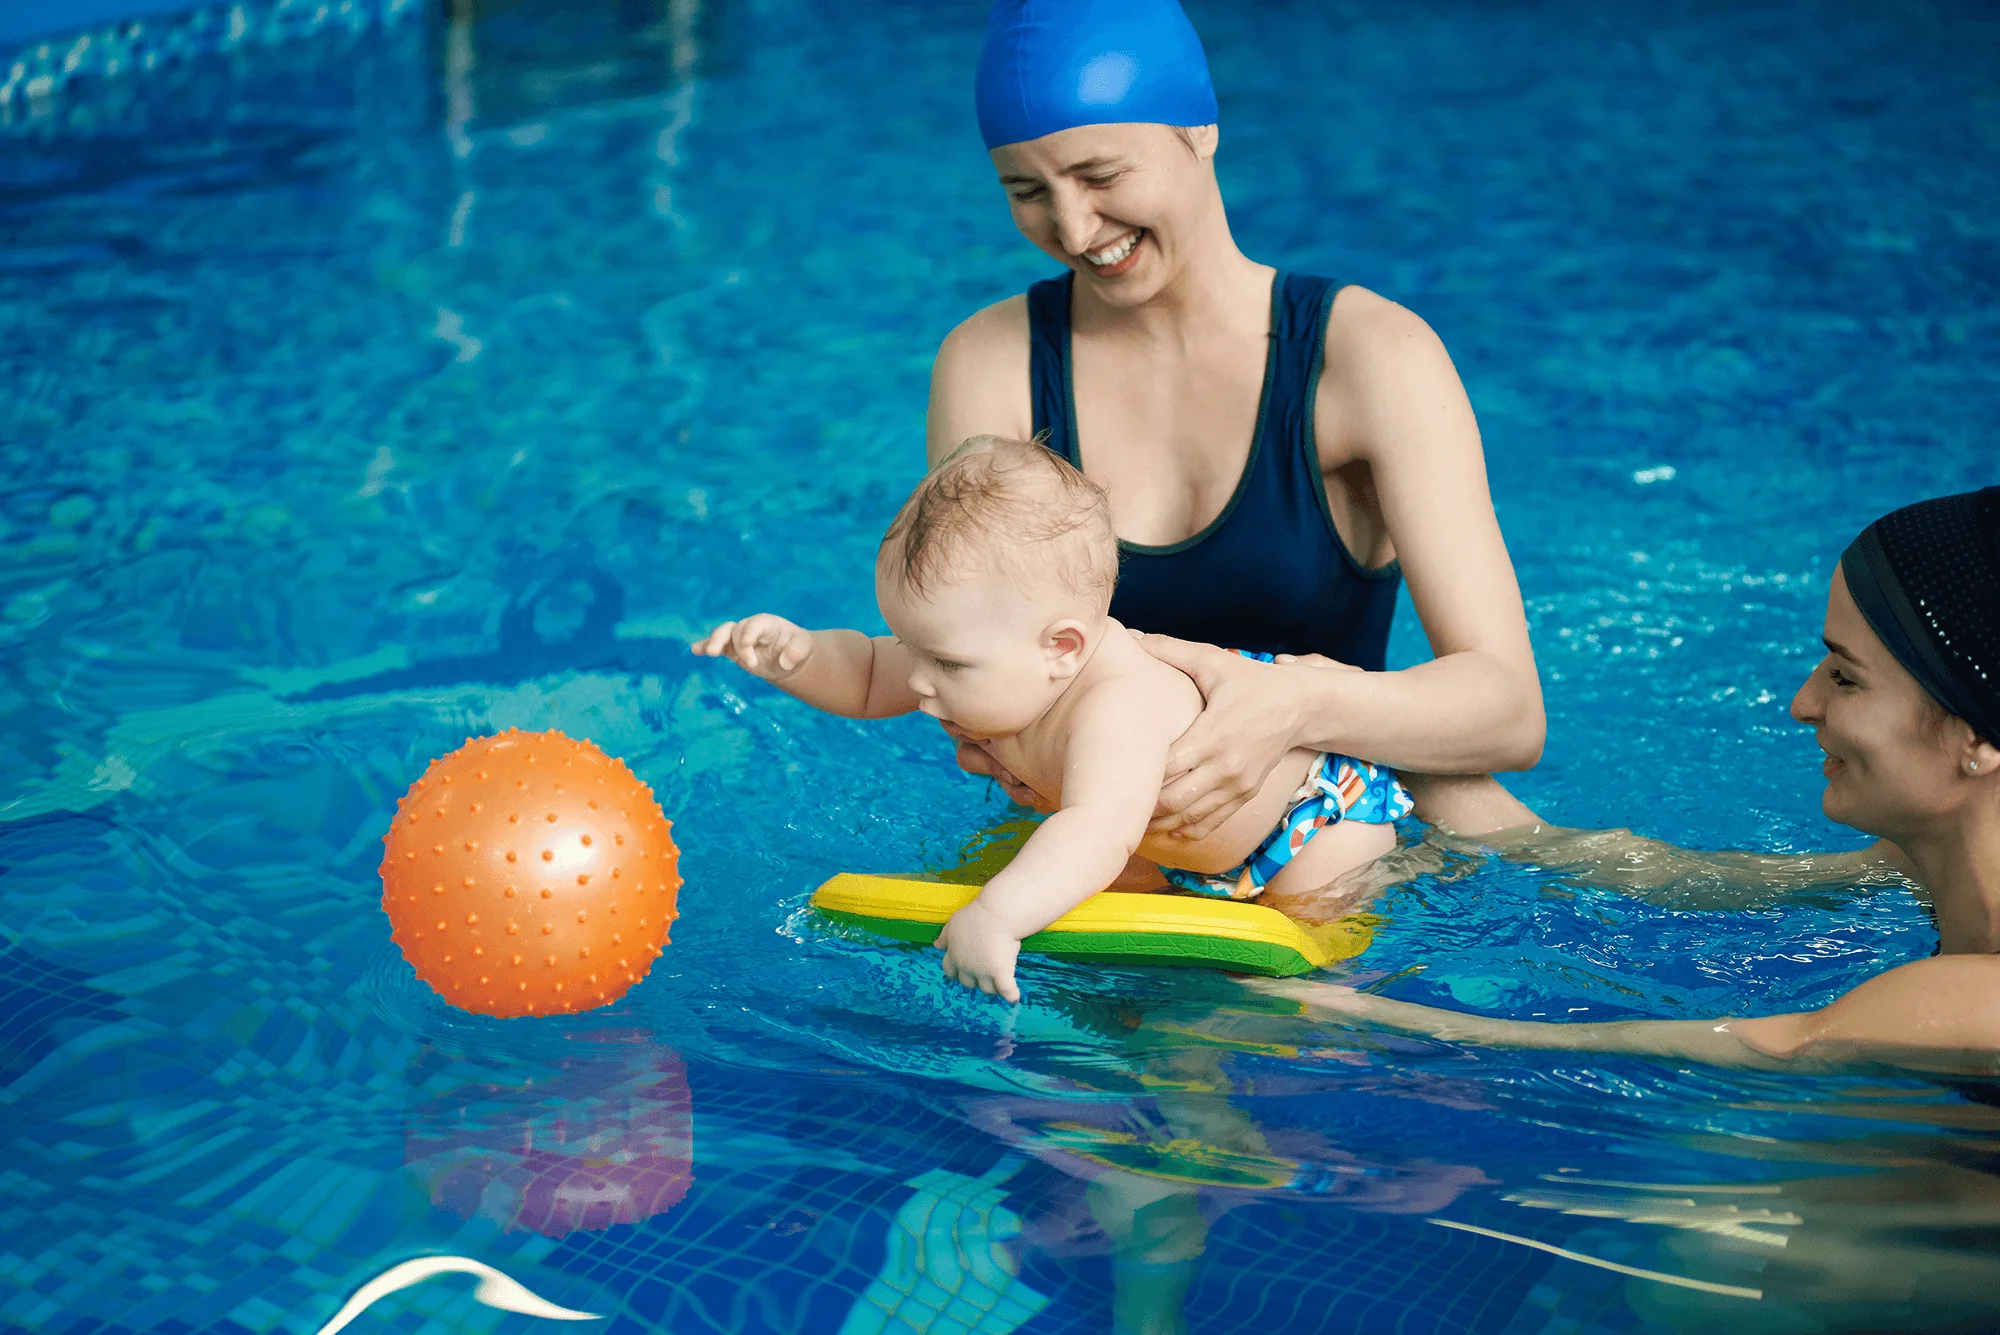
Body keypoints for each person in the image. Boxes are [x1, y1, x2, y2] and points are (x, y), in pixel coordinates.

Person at [929, 0, 1543, 846]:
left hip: (1344, 835)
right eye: (1028, 192)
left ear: (1201, 129)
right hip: (1102, 848)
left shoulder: (1369, 359)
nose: (1072, 229)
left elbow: (1509, 711)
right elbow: (962, 650)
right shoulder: (992, 367)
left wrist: (1293, 705)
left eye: (1102, 176)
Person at [1256, 487, 2000, 1077]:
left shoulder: (1974, 996)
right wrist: (1369, 730)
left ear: (1977, 739)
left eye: (1845, 677)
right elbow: (1688, 881)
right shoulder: (1915, 865)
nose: (1802, 703)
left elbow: (1659, 1047)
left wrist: (1297, 1004)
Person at [693, 437, 1410, 1002]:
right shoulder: (991, 657)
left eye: (943, 662)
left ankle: (1352, 1004)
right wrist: (799, 655)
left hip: (1310, 824)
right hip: (1179, 850)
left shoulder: (1115, 704)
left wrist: (997, 915)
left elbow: (1097, 830)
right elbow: (873, 674)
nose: (916, 678)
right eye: (912, 646)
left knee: (1301, 980)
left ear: (1061, 649)